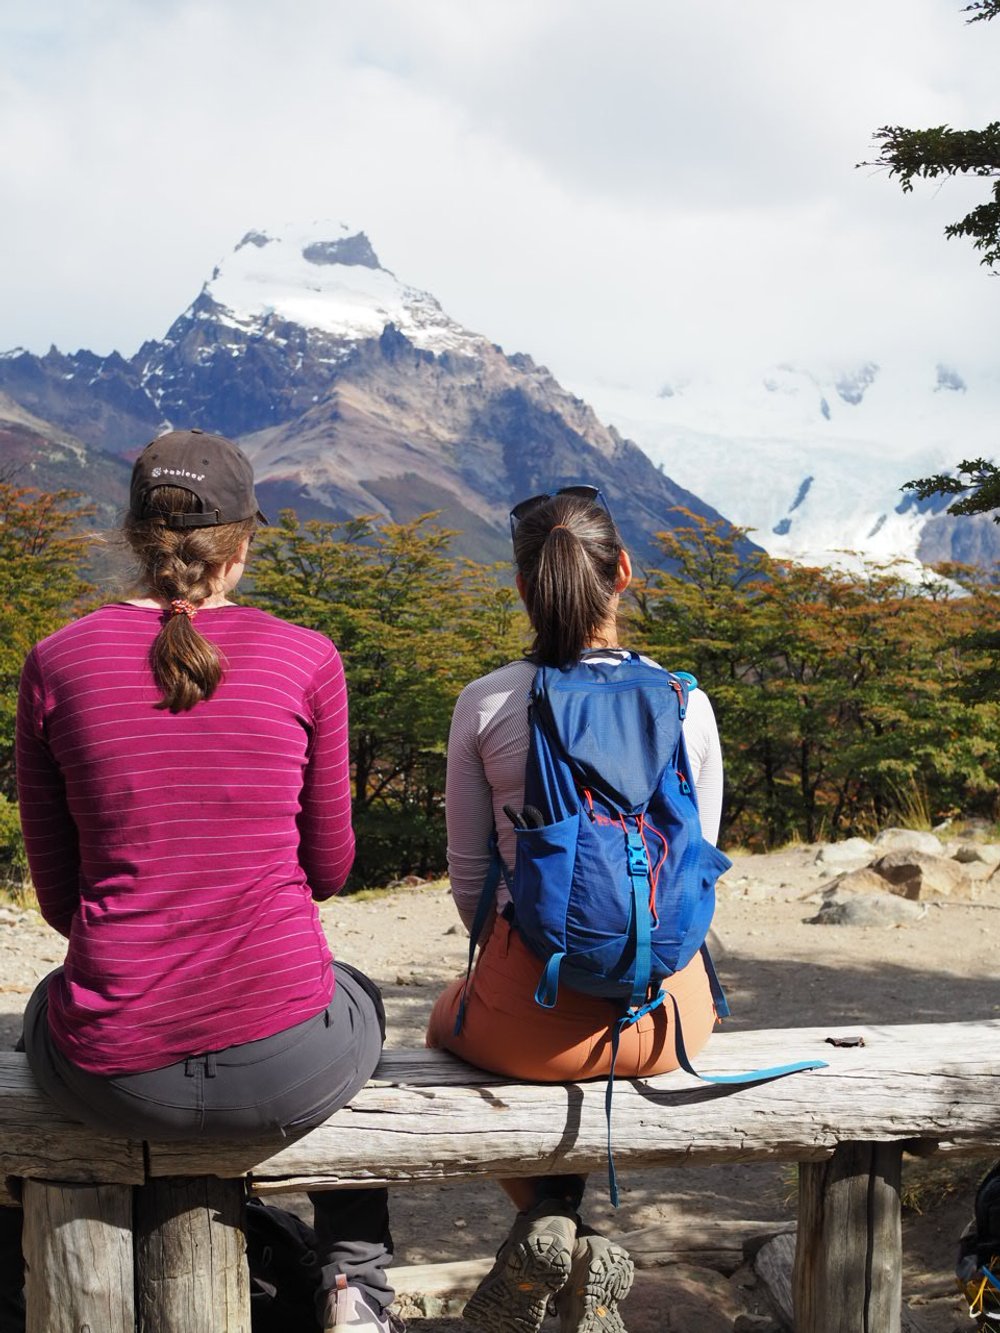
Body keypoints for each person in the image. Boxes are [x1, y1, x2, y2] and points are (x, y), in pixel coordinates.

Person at [4, 429, 401, 1333]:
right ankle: (356, 1283)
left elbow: (64, 907)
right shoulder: (308, 659)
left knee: (38, 1011)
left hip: (116, 1069)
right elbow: (331, 870)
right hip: (288, 1058)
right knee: (361, 999)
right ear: (243, 543)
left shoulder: (55, 662)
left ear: (134, 534)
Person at [426, 486, 724, 1333]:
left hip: (534, 1027)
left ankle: (549, 1220)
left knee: (439, 1020)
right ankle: (569, 1239)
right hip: (670, 1022)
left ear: (523, 589)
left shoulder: (486, 702)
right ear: (623, 572)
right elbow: (697, 868)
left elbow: (471, 890)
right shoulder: (684, 701)